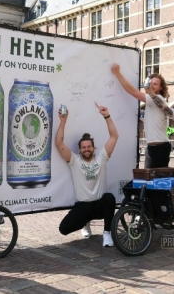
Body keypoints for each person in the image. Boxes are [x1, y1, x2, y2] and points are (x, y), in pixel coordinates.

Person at [55, 102, 118, 247]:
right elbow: (59, 143)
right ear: (79, 149)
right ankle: (85, 223)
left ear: (93, 148)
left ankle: (107, 233)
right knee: (63, 229)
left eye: (89, 146)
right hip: (83, 205)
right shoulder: (74, 160)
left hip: (98, 205)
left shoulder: (101, 157)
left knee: (109, 198)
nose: (86, 149)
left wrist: (106, 116)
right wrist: (63, 121)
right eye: (83, 147)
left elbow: (114, 136)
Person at [111, 63, 171, 168]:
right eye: (150, 83)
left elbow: (131, 91)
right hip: (151, 147)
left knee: (158, 180)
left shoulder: (157, 99)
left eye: (155, 84)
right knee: (148, 179)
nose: (152, 86)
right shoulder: (151, 102)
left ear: (161, 88)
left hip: (160, 147)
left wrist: (117, 73)